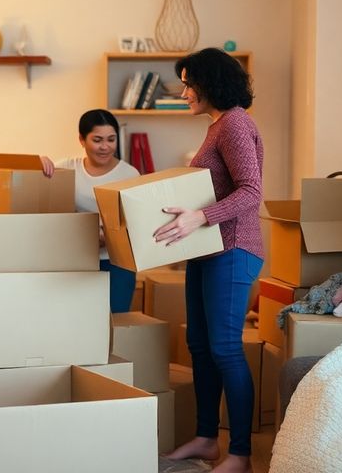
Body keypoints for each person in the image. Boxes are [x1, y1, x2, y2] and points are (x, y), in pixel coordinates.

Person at [154, 48, 264, 473]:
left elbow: (251, 192)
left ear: (210, 83)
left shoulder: (234, 122)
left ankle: (239, 453)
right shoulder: (217, 125)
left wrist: (198, 215)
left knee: (224, 349)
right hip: (206, 248)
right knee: (199, 346)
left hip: (234, 249)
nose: (183, 92)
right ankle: (205, 439)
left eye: (188, 83)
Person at [40, 109, 141, 313]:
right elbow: (34, 191)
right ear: (81, 140)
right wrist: (40, 162)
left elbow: (137, 223)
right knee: (74, 320)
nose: (105, 147)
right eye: (97, 140)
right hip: (75, 260)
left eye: (111, 139)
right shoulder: (66, 169)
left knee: (113, 321)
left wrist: (108, 237)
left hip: (117, 263)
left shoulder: (130, 174)